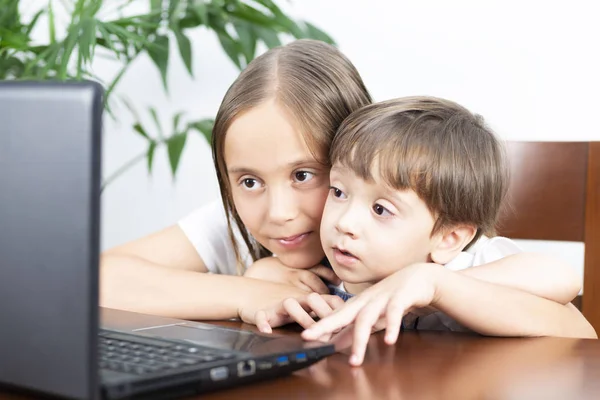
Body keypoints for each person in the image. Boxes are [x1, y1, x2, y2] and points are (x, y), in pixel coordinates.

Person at [102, 40, 579, 324]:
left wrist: (430, 285)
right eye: (249, 181)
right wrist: (252, 292)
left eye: (305, 175)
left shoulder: (417, 249)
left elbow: (568, 314)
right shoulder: (238, 225)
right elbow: (98, 280)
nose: (278, 212)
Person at [254, 97, 596, 365]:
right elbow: (265, 277)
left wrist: (434, 285)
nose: (344, 222)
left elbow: (563, 279)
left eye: (380, 209)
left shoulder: (462, 265)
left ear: (449, 238)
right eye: (339, 192)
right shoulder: (340, 272)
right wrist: (284, 309)